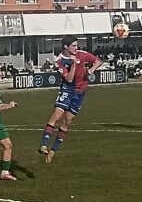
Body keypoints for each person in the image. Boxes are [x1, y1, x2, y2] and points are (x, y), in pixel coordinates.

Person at [38, 35, 103, 163]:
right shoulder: (60, 61)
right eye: (73, 45)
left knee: (67, 122)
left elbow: (98, 61)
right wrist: (73, 64)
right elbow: (68, 78)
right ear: (66, 47)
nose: (76, 48)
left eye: (76, 45)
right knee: (56, 116)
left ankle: (53, 151)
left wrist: (91, 70)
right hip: (67, 90)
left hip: (80, 93)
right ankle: (44, 144)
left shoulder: (82, 54)